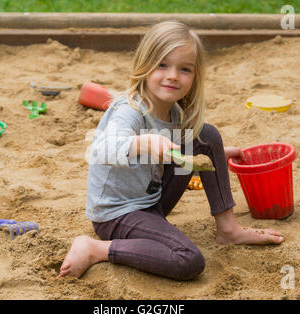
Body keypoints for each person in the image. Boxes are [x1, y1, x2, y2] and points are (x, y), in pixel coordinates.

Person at [58, 21, 284, 281]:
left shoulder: (174, 111)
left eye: (184, 69)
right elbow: (99, 149)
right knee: (187, 259)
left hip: (151, 201)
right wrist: (145, 143)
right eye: (162, 65)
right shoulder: (130, 110)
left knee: (207, 136)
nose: (173, 75)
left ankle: (228, 229)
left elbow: (175, 156)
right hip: (117, 214)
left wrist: (215, 154)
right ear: (145, 64)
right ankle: (96, 248)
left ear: (194, 76)